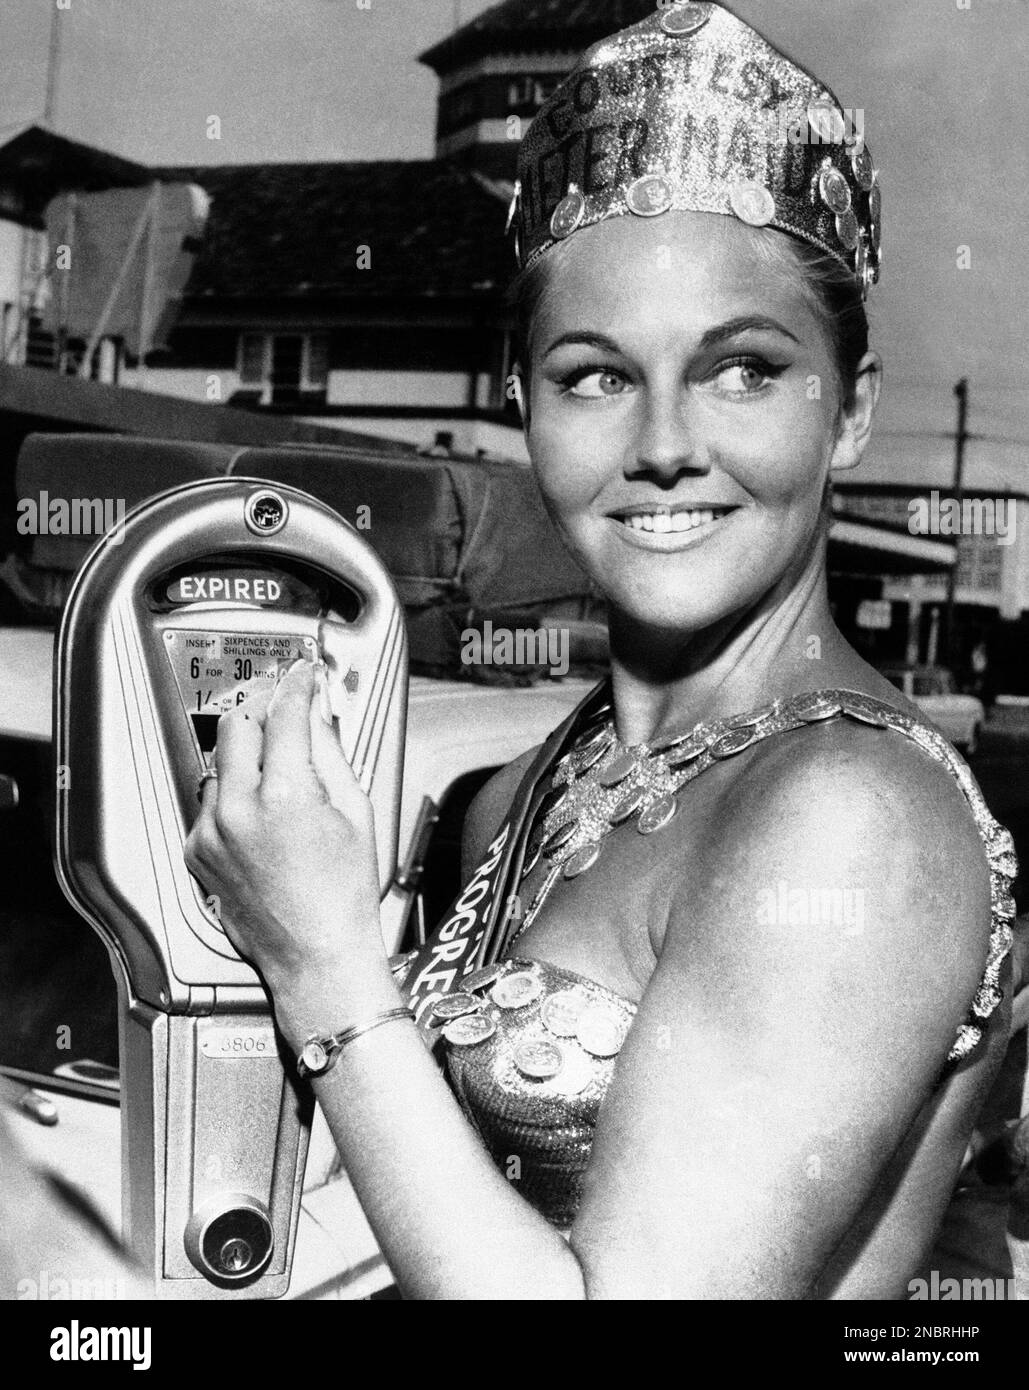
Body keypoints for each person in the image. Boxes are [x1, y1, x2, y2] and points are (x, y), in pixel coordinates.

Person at [184, 1, 1019, 1299]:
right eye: (592, 374)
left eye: (742, 368)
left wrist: (321, 961)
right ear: (517, 402)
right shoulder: (531, 779)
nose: (664, 441)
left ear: (848, 409)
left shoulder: (851, 818)